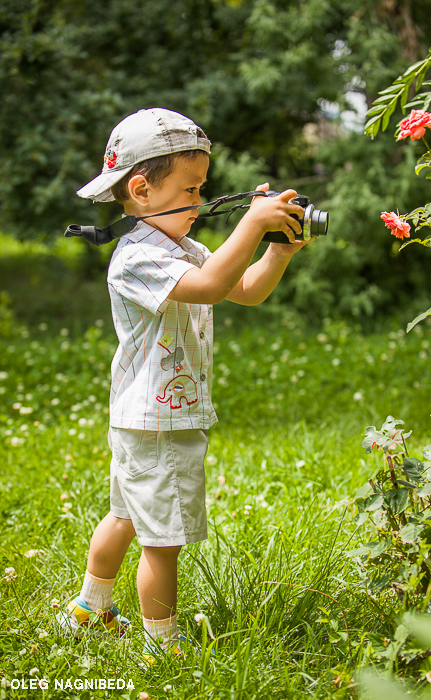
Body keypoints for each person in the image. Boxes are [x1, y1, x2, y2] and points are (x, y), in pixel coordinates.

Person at [56, 108, 311, 658]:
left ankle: (88, 608)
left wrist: (278, 247)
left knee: (124, 517)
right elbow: (213, 286)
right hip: (159, 421)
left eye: (202, 188)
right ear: (142, 190)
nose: (200, 202)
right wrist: (251, 222)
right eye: (191, 190)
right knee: (162, 541)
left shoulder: (177, 247)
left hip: (145, 418)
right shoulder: (137, 256)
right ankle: (163, 646)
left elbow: (242, 287)